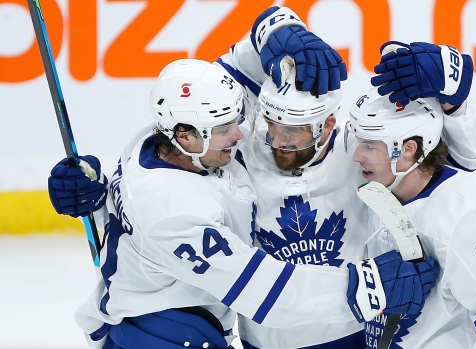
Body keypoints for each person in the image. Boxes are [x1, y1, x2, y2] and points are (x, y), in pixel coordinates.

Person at [47, 59, 440, 349]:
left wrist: (93, 196)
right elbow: (265, 291)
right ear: (184, 136)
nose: (240, 135)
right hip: (161, 334)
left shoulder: (154, 143)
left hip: (169, 320)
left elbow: (236, 66)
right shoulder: (173, 210)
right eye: (223, 129)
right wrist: (369, 286)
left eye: (237, 119)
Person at [212, 6, 476, 349]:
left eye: (292, 130)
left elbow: (471, 155)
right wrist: (274, 29)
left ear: (328, 125)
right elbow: (215, 84)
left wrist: (455, 104)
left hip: (352, 337)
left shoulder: (359, 156)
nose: (278, 141)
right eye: (271, 124)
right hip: (261, 341)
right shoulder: (239, 154)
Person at [345, 86, 476, 349]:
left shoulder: (466, 212)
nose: (357, 156)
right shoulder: (381, 186)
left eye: (369, 146)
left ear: (407, 149)